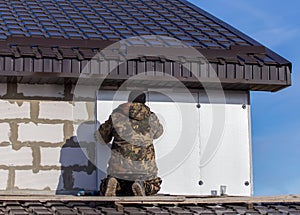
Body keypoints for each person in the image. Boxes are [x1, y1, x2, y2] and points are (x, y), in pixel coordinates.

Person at [95, 90, 164, 196]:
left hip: (119, 169)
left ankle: (114, 182)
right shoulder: (152, 117)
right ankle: (141, 186)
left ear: (129, 100)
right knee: (154, 185)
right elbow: (159, 133)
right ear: (144, 102)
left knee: (117, 184)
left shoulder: (117, 116)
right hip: (144, 169)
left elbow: (102, 138)